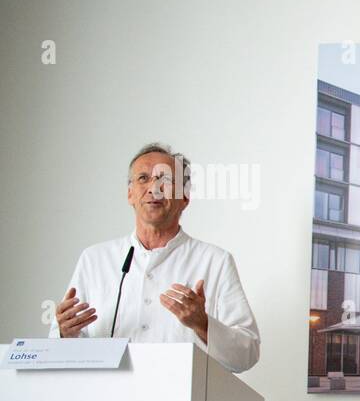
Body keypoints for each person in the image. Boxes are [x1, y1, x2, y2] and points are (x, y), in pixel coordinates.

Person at [51, 143, 261, 373]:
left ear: (184, 197)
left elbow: (247, 353)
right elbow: (62, 351)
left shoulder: (214, 261)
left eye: (166, 180)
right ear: (130, 194)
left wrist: (203, 324)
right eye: (143, 178)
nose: (154, 188)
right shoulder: (95, 259)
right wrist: (63, 333)